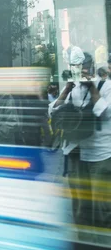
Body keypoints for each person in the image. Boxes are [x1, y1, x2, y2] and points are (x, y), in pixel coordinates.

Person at [50, 52, 111, 231]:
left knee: (103, 207)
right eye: (76, 68)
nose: (81, 71)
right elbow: (53, 112)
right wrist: (67, 88)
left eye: (84, 67)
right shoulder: (71, 89)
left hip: (100, 153)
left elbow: (105, 112)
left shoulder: (106, 86)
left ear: (92, 68)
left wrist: (92, 87)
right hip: (76, 152)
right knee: (80, 207)